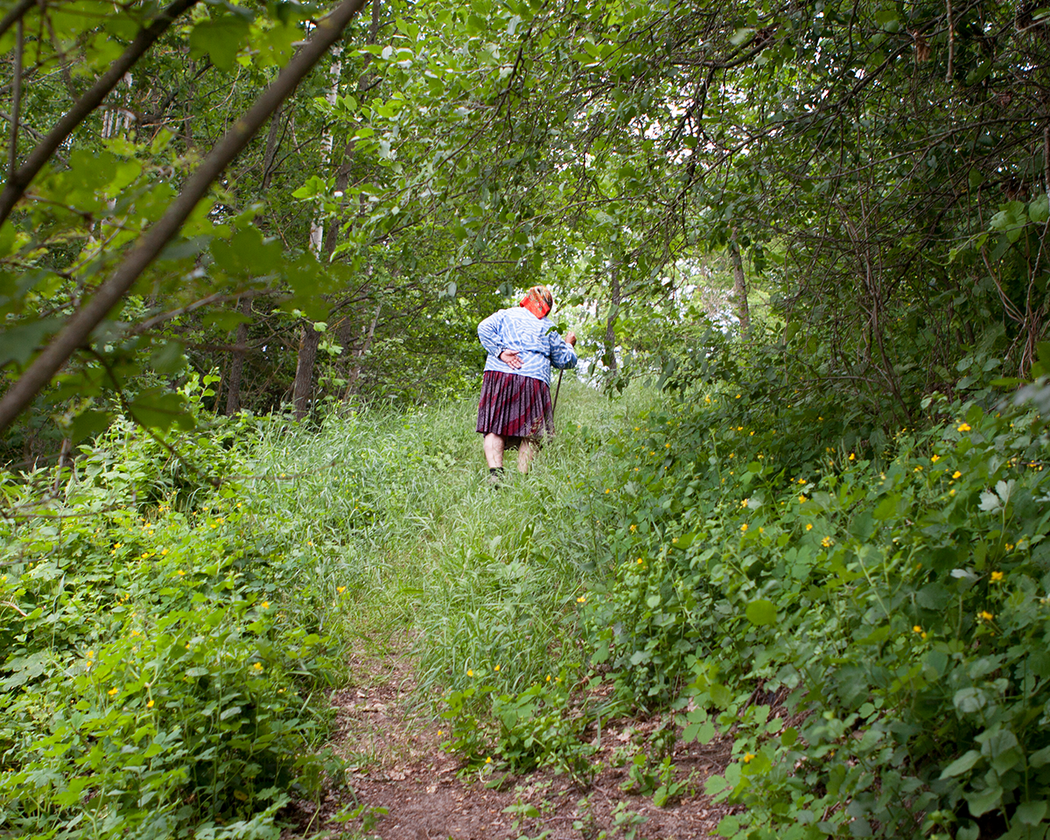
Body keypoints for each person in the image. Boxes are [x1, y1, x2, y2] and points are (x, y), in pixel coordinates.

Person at [476, 285, 577, 480]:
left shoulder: (505, 315)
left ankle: (496, 475)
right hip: (534, 379)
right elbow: (565, 360)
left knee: (494, 427)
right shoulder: (548, 327)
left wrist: (500, 352)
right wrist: (569, 344)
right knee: (532, 432)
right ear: (547, 306)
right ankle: (522, 480)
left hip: (499, 375)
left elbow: (483, 328)